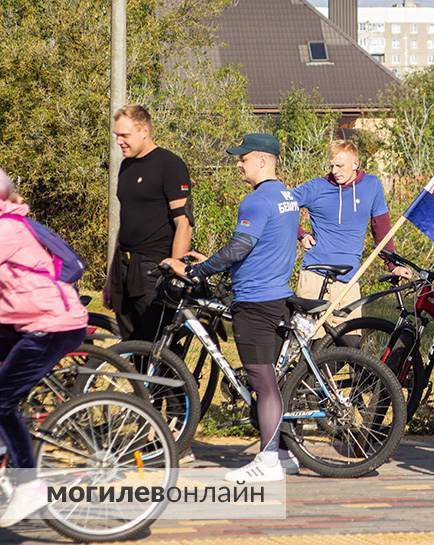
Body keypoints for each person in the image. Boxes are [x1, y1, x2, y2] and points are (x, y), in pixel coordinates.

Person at [163, 133, 300, 482]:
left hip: (254, 301)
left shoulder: (256, 201)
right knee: (272, 380)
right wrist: (213, 259)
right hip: (276, 296)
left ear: (263, 161)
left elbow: (239, 248)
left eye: (244, 157)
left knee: (262, 381)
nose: (238, 163)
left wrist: (195, 270)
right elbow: (261, 248)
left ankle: (267, 462)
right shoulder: (286, 196)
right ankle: (282, 454)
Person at [0, 169, 88, 526]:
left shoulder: (5, 230)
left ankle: (28, 483)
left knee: (1, 400)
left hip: (51, 325)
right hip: (29, 317)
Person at [293, 140, 411, 338]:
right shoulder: (317, 187)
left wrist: (393, 264)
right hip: (314, 275)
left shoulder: (371, 185)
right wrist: (301, 234)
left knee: (351, 342)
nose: (334, 170)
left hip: (348, 280)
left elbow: (380, 228)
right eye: (331, 166)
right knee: (312, 345)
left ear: (355, 163)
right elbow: (281, 207)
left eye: (340, 166)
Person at [106, 105, 194, 341]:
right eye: (116, 135)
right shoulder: (126, 166)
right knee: (130, 343)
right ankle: (138, 379)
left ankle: (169, 378)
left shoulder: (170, 165)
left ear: (144, 130)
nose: (119, 141)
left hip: (153, 267)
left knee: (156, 344)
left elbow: (184, 223)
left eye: (124, 135)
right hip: (125, 265)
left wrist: (176, 269)